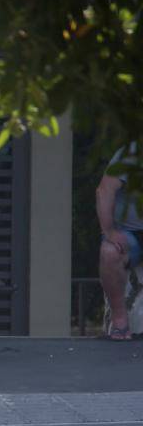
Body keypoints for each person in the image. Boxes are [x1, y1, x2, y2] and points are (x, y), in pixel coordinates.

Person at [97, 143, 142, 340]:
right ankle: (120, 321)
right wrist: (109, 231)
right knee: (109, 252)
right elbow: (104, 191)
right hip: (130, 233)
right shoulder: (131, 153)